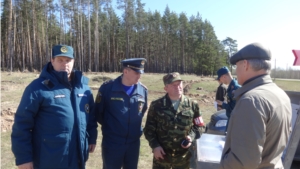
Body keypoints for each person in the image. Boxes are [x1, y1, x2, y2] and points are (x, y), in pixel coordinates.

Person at [11, 45, 98, 169]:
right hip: (49, 158)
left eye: (68, 61)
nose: (65, 64)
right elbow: (22, 124)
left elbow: (90, 117)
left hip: (77, 157)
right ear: (52, 61)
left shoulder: (83, 88)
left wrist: (92, 138)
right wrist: (23, 158)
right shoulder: (37, 88)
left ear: (73, 61)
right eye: (60, 60)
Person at [220, 43, 292, 169]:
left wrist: (224, 163)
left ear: (245, 64)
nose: (236, 71)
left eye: (236, 66)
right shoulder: (280, 94)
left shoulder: (250, 101)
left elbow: (242, 163)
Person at [94, 58, 148, 169]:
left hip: (133, 143)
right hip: (113, 143)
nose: (139, 76)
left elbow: (142, 111)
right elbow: (99, 113)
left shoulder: (142, 90)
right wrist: (113, 127)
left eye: (141, 73)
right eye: (136, 73)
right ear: (125, 71)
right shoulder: (107, 88)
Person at [144, 72, 205, 169]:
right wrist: (155, 146)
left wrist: (191, 136)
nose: (178, 87)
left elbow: (200, 126)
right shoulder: (156, 105)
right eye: (173, 85)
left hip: (184, 158)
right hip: (162, 157)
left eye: (180, 83)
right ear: (166, 88)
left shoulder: (193, 105)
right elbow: (149, 129)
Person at [215, 66, 241, 131]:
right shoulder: (232, 87)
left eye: (220, 79)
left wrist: (223, 104)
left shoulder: (235, 88)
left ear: (224, 77)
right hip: (231, 118)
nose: (220, 81)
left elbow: (234, 108)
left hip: (235, 121)